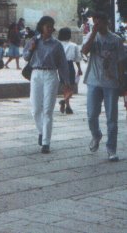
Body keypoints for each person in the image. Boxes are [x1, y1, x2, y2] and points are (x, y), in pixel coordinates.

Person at [81, 11, 126, 161]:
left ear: (106, 22)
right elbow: (84, 51)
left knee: (112, 117)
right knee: (91, 114)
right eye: (95, 21)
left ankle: (111, 149)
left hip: (111, 82)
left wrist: (121, 82)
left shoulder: (116, 40)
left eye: (99, 21)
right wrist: (93, 34)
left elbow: (121, 61)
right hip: (94, 80)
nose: (97, 24)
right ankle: (96, 134)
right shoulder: (91, 37)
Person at [23, 15, 71, 153]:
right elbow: (25, 57)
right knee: (35, 109)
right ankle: (41, 131)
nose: (49, 29)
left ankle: (46, 143)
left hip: (51, 74)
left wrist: (66, 82)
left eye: (51, 26)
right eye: (47, 26)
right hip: (36, 74)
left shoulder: (56, 44)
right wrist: (31, 48)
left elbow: (62, 64)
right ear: (41, 27)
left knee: (48, 109)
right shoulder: (34, 40)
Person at [57, 27, 82, 115]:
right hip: (69, 65)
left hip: (60, 66)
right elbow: (77, 59)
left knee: (65, 86)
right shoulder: (73, 45)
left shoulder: (57, 44)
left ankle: (67, 105)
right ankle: (64, 101)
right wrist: (79, 68)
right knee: (72, 86)